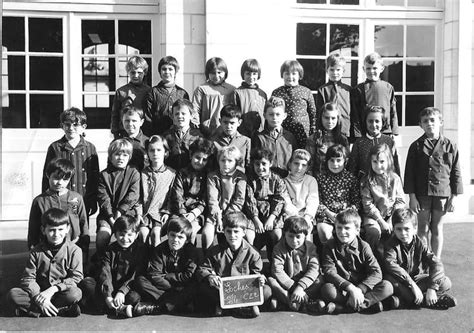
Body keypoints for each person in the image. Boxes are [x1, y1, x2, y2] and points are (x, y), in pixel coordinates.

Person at [404, 107, 462, 258]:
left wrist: (454, 197)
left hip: (442, 194)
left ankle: (436, 261)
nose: (429, 124)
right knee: (422, 228)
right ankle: (423, 260)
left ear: (440, 122)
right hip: (422, 194)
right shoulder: (416, 146)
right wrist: (412, 197)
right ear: (420, 125)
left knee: (436, 227)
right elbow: (409, 173)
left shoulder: (450, 145)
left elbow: (456, 172)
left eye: (433, 120)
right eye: (425, 121)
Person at [7, 208, 83, 317]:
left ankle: (34, 311)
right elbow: (28, 278)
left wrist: (53, 289)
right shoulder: (35, 251)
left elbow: (76, 277)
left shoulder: (75, 250)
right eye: (51, 230)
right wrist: (38, 297)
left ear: (68, 229)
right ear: (43, 230)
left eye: (60, 229)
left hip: (59, 293)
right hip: (39, 293)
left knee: (75, 293)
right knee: (13, 294)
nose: (56, 234)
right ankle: (59, 310)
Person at [196, 211, 271, 318]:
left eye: (236, 232)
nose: (232, 235)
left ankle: (227, 307)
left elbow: (258, 273)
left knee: (267, 291)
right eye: (229, 231)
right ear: (224, 232)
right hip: (221, 289)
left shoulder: (253, 253)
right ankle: (242, 308)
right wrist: (210, 277)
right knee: (203, 288)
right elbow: (203, 268)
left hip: (244, 291)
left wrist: (261, 279)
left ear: (244, 232)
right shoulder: (214, 251)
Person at [320, 208, 394, 314]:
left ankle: (343, 307)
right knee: (327, 289)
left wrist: (359, 289)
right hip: (342, 288)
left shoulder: (364, 246)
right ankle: (367, 304)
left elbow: (376, 272)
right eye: (339, 228)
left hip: (362, 289)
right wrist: (351, 288)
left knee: (387, 287)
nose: (342, 232)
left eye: (347, 228)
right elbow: (329, 272)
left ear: (357, 230)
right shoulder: (329, 246)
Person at [383, 208, 457, 309]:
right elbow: (391, 266)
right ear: (394, 229)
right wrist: (413, 285)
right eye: (398, 229)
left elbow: (436, 263)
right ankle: (431, 300)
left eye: (407, 229)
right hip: (399, 281)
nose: (403, 233)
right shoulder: (390, 245)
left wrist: (432, 288)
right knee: (393, 287)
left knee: (446, 282)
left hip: (415, 279)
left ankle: (402, 301)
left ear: (414, 228)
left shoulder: (420, 242)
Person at [79, 215, 146, 318]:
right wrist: (108, 295)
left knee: (134, 297)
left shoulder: (140, 250)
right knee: (87, 283)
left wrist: (122, 291)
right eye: (121, 235)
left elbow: (135, 275)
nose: (125, 239)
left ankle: (107, 308)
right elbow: (105, 273)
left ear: (136, 235)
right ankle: (118, 308)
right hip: (110, 287)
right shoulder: (109, 250)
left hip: (127, 290)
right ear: (115, 234)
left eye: (129, 235)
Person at [134, 216, 201, 316]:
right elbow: (154, 275)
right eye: (172, 235)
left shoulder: (192, 252)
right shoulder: (159, 250)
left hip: (183, 287)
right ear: (167, 235)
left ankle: (159, 307)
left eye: (180, 237)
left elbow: (189, 275)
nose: (175, 240)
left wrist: (168, 276)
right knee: (141, 281)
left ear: (187, 240)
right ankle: (176, 304)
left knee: (195, 286)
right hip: (166, 288)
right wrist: (173, 288)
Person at [42, 107, 99, 218]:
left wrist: (93, 200)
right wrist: (46, 199)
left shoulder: (90, 148)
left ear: (83, 127)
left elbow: (95, 177)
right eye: (67, 124)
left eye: (75, 125)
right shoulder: (55, 148)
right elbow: (47, 175)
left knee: (80, 229)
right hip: (59, 199)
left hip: (83, 199)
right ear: (62, 126)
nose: (71, 128)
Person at [29, 159, 89, 262]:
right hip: (48, 250)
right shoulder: (39, 201)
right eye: (56, 178)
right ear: (48, 175)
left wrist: (84, 246)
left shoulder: (76, 198)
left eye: (65, 179)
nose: (60, 182)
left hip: (73, 246)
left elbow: (83, 223)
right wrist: (33, 249)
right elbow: (33, 229)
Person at [268, 216, 324, 312]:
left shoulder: (311, 247)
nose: (294, 241)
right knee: (271, 280)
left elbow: (314, 269)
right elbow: (277, 270)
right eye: (290, 236)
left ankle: (289, 302)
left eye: (298, 237)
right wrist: (294, 288)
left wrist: (301, 287)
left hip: (305, 285)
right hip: (287, 284)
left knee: (320, 279)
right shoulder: (278, 248)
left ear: (305, 236)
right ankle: (301, 302)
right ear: (284, 233)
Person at [96, 139, 140, 255]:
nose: (121, 158)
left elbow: (133, 195)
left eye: (124, 155)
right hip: (107, 214)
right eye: (117, 154)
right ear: (111, 157)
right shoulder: (104, 175)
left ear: (129, 157)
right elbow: (103, 198)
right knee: (103, 235)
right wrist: (111, 217)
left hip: (127, 213)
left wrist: (120, 212)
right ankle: (101, 262)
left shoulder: (133, 172)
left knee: (130, 234)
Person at [169, 138, 216, 244]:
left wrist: (194, 213)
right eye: (197, 157)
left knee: (192, 231)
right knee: (176, 228)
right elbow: (177, 194)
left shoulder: (208, 176)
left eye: (204, 160)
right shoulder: (182, 173)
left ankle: (193, 258)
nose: (200, 162)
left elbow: (206, 197)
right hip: (181, 211)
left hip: (198, 213)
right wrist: (183, 213)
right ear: (191, 155)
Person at [360, 143, 405, 255]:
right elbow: (367, 204)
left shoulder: (395, 179)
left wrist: (391, 220)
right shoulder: (367, 180)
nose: (378, 166)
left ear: (388, 161)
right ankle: (372, 259)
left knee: (400, 231)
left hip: (391, 216)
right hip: (373, 217)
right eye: (375, 162)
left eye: (382, 162)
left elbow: (400, 201)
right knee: (374, 232)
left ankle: (393, 260)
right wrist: (380, 221)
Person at [244, 148, 287, 257]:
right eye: (257, 164)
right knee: (249, 236)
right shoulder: (249, 180)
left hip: (271, 212)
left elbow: (279, 199)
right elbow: (250, 200)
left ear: (270, 164)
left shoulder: (277, 179)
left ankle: (275, 261)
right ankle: (252, 261)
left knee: (277, 234)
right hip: (253, 214)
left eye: (264, 164)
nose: (260, 167)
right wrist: (256, 219)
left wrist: (272, 218)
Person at [202, 146, 247, 250]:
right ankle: (208, 260)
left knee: (232, 233)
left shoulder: (241, 177)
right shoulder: (212, 176)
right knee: (206, 233)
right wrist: (218, 216)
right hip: (215, 213)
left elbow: (239, 200)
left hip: (233, 213)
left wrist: (226, 216)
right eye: (223, 160)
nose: (226, 164)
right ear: (218, 161)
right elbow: (212, 198)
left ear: (236, 162)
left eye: (230, 161)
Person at [315, 145, 360, 245]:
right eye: (332, 160)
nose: (335, 164)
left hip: (346, 215)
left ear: (345, 161)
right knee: (325, 233)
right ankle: (330, 257)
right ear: (327, 161)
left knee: (350, 234)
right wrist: (328, 213)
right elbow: (317, 201)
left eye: (339, 160)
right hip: (326, 216)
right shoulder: (321, 179)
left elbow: (356, 202)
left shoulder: (350, 179)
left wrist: (346, 213)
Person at [137, 135, 175, 247]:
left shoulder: (171, 174)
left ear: (166, 152)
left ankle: (156, 261)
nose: (155, 153)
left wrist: (167, 212)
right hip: (145, 214)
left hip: (160, 214)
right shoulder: (142, 173)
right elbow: (138, 197)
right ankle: (143, 261)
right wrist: (139, 213)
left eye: (159, 150)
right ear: (147, 153)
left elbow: (173, 197)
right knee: (143, 233)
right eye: (152, 150)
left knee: (155, 233)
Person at [351, 52, 399, 139]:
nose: (371, 71)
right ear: (363, 69)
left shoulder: (388, 87)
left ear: (382, 68)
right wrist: (357, 135)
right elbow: (355, 114)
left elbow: (393, 111)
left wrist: (394, 132)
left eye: (375, 68)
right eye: (368, 68)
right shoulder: (358, 89)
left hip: (385, 132)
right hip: (365, 133)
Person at [271, 60, 317, 148]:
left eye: (294, 74)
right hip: (283, 132)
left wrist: (313, 131)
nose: (290, 77)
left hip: (302, 132)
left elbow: (313, 113)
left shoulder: (306, 91)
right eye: (287, 73)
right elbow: (271, 111)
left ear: (299, 75)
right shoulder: (277, 92)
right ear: (282, 75)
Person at [348, 105, 400, 180]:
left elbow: (395, 166)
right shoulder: (359, 143)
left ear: (383, 122)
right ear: (365, 122)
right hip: (364, 185)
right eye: (370, 121)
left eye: (377, 121)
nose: (374, 125)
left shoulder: (389, 141)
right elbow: (352, 168)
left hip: (386, 184)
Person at [143, 56, 189, 136]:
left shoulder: (182, 93)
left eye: (170, 69)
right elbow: (148, 117)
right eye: (164, 69)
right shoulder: (152, 92)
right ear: (160, 72)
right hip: (158, 135)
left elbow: (187, 115)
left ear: (175, 72)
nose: (167, 72)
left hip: (177, 136)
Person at [252, 96, 298, 178]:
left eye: (278, 114)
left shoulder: (289, 138)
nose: (274, 118)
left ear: (284, 116)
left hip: (287, 180)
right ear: (264, 115)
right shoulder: (259, 138)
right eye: (271, 114)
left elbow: (295, 160)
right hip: (267, 180)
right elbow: (255, 161)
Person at [192, 57, 236, 137]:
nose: (216, 76)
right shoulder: (202, 89)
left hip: (226, 130)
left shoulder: (231, 89)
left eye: (219, 72)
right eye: (213, 73)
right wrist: (197, 127)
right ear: (207, 73)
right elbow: (195, 109)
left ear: (225, 73)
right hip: (207, 130)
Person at [111, 56, 151, 139]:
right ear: (128, 72)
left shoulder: (149, 91)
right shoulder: (121, 92)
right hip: (124, 132)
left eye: (139, 73)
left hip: (144, 132)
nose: (136, 75)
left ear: (145, 72)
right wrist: (115, 133)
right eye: (133, 72)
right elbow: (115, 114)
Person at [315, 53, 352, 141]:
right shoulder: (323, 90)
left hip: (345, 130)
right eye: (332, 70)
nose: (335, 73)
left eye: (338, 70)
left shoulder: (349, 90)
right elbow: (319, 113)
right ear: (327, 70)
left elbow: (353, 112)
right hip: (328, 132)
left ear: (343, 71)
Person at [305, 102, 349, 175]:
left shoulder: (343, 139)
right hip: (319, 180)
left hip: (340, 182)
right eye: (326, 118)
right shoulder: (313, 139)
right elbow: (309, 166)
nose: (330, 121)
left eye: (333, 118)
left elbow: (347, 163)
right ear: (321, 118)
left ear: (338, 119)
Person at [283, 149, 319, 235]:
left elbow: (313, 200)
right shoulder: (283, 182)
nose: (299, 168)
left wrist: (307, 217)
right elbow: (286, 201)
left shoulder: (311, 180)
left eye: (303, 165)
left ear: (307, 167)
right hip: (290, 216)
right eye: (296, 163)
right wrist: (295, 216)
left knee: (305, 233)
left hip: (306, 216)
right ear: (290, 164)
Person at [163, 99, 203, 170]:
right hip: (172, 173)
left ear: (191, 115)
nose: (180, 116)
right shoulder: (166, 136)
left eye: (183, 113)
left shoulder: (197, 136)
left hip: (190, 174)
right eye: (176, 114)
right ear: (172, 116)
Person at [232, 58, 267, 138]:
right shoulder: (237, 92)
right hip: (243, 133)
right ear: (243, 74)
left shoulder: (262, 94)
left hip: (260, 133)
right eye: (248, 73)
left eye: (254, 74)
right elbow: (234, 114)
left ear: (258, 75)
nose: (251, 77)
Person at [211, 104, 251, 169]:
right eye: (225, 122)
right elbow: (211, 165)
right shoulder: (214, 141)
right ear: (220, 121)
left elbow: (248, 165)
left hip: (239, 177)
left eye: (232, 123)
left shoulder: (245, 141)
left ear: (239, 123)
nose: (229, 126)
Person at [120, 106, 148, 171]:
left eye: (134, 121)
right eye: (127, 120)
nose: (130, 124)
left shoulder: (147, 142)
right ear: (122, 121)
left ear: (141, 122)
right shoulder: (117, 142)